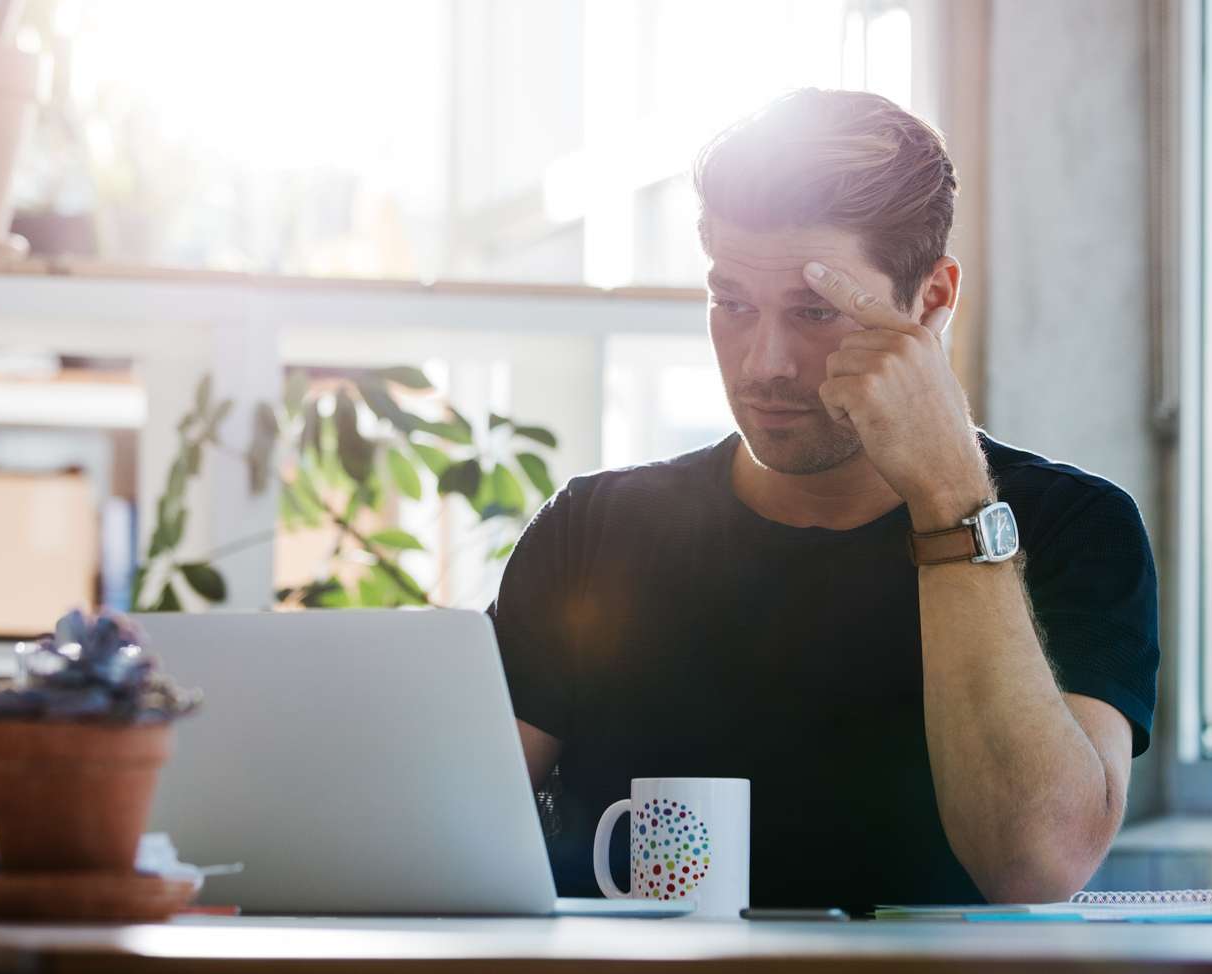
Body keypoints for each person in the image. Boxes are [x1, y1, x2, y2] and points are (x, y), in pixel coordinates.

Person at [487, 88, 1159, 912]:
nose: (765, 362)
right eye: (731, 303)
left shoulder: (1074, 529)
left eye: (814, 310)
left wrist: (948, 490)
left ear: (934, 300)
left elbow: (1034, 863)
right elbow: (439, 828)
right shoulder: (590, 531)